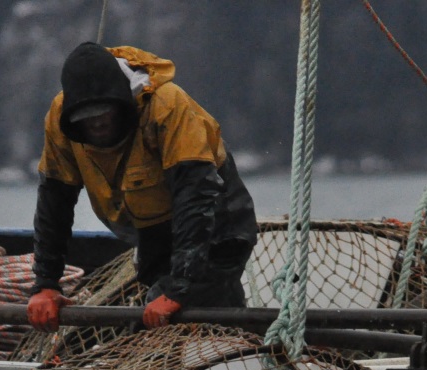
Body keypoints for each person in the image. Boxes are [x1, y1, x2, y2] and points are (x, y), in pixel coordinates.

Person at [26, 42, 258, 332]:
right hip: (153, 235)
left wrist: (180, 287)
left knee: (164, 317)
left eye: (104, 113)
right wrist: (45, 284)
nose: (96, 124)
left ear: (123, 102)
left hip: (219, 225)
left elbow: (195, 198)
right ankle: (240, 335)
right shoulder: (59, 119)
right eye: (85, 119)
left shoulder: (167, 105)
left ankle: (240, 339)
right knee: (176, 307)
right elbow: (54, 203)